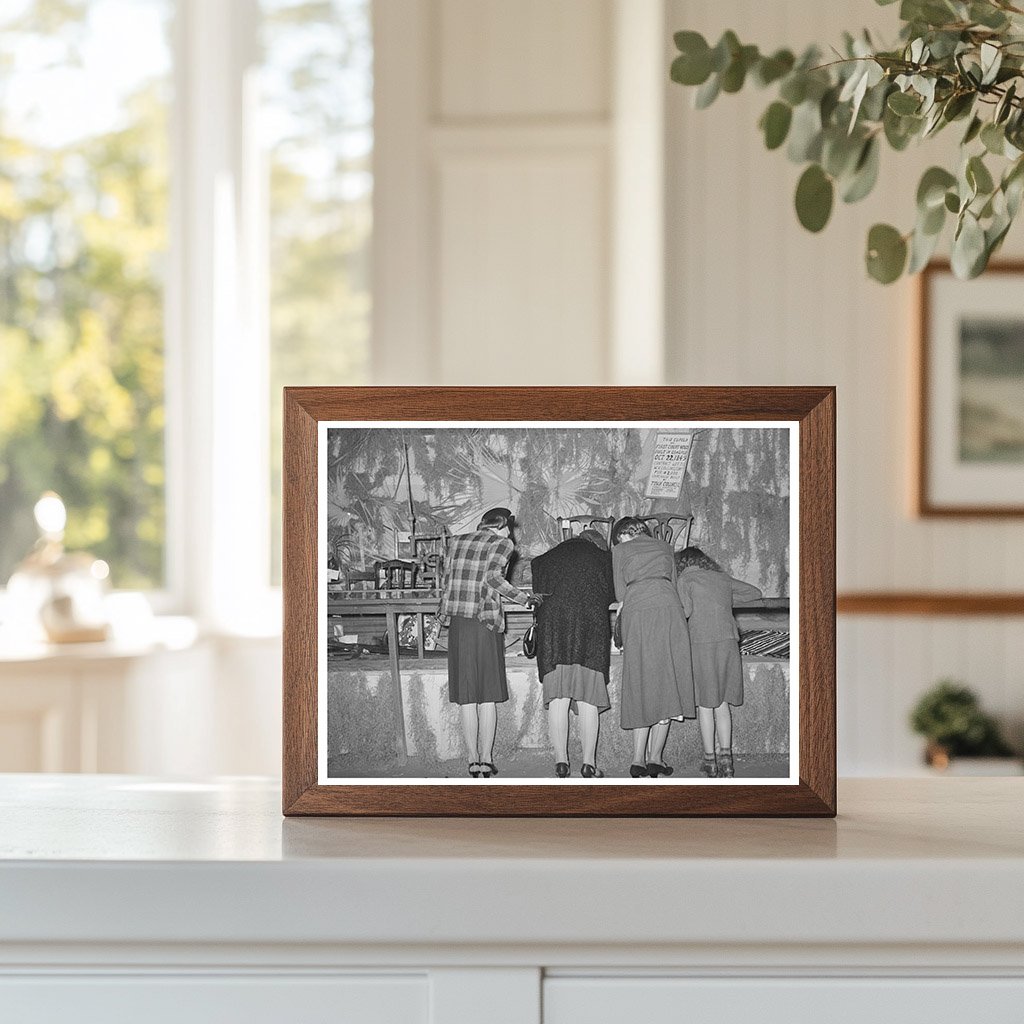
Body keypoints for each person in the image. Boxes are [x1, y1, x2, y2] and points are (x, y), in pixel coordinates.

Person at [437, 507, 540, 778]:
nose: (512, 533)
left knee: (468, 698)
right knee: (487, 697)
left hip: (459, 624)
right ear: (504, 525)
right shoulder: (502, 543)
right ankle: (486, 759)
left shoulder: (456, 541)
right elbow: (494, 579)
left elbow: (447, 582)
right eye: (511, 527)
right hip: (484, 623)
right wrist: (524, 598)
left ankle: (472, 760)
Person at [611, 517, 695, 778]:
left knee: (640, 680)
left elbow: (619, 593)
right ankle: (655, 758)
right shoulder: (666, 548)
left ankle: (638, 759)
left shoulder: (620, 550)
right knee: (668, 679)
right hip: (670, 608)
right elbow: (673, 582)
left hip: (638, 609)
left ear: (623, 534)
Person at [530, 528, 616, 779]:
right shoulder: (604, 559)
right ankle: (589, 764)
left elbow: (539, 587)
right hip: (590, 633)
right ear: (597, 543)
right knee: (588, 699)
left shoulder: (546, 558)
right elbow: (612, 595)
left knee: (559, 699)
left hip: (554, 634)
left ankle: (561, 762)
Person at [675, 546, 763, 779]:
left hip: (702, 643)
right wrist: (723, 598)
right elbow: (754, 592)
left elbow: (685, 611)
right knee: (722, 702)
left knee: (706, 704)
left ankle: (710, 761)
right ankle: (727, 759)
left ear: (681, 564)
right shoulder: (721, 578)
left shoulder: (685, 579)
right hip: (728, 643)